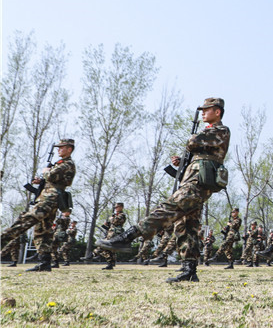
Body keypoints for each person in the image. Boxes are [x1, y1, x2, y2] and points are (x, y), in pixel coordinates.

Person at [98, 98, 230, 283]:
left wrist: (192, 145)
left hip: (198, 182)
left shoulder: (220, 130)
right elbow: (195, 150)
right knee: (186, 225)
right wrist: (183, 161)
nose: (202, 113)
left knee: (168, 208)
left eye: (206, 110)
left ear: (217, 112)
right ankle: (189, 270)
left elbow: (193, 142)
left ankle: (128, 236)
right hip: (193, 179)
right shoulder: (208, 134)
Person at [2, 139, 77, 272]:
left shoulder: (67, 164)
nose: (58, 150)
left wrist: (45, 171)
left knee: (28, 219)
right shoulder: (61, 164)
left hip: (50, 198)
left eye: (61, 147)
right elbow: (52, 179)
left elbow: (52, 175)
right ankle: (45, 262)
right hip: (49, 196)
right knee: (42, 230)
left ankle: (3, 237)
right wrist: (41, 181)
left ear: (69, 149)